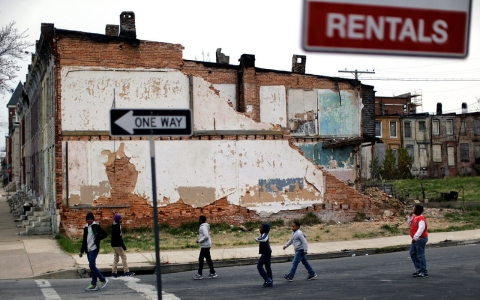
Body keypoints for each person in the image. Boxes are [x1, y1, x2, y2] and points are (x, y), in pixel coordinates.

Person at [80, 211, 109, 291]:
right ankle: (93, 284)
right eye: (88, 219)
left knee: (91, 265)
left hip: (94, 248)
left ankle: (103, 279)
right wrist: (81, 251)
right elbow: (84, 240)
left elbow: (104, 234)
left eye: (91, 219)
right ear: (86, 220)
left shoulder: (96, 226)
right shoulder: (86, 228)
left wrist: (97, 239)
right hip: (88, 249)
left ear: (93, 219)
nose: (89, 220)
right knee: (92, 266)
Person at [192, 215, 218, 280]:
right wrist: (199, 239)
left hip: (205, 245)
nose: (198, 220)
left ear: (201, 220)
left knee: (201, 259)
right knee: (208, 259)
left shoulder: (203, 227)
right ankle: (212, 272)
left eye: (199, 219)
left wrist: (199, 241)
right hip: (206, 244)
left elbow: (206, 236)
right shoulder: (205, 226)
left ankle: (199, 274)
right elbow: (204, 235)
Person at [111, 213, 134, 278]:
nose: (121, 219)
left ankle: (114, 272)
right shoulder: (116, 226)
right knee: (124, 257)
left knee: (116, 258)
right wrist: (123, 246)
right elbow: (118, 237)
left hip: (114, 244)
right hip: (117, 244)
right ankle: (126, 271)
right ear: (117, 220)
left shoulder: (115, 224)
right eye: (120, 218)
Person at [408, 205, 429, 278]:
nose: (413, 210)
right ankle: (419, 269)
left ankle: (423, 271)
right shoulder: (415, 217)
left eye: (414, 209)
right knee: (412, 253)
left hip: (420, 239)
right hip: (416, 239)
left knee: (420, 255)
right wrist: (410, 217)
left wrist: (416, 237)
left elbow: (421, 228)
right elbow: (410, 224)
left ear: (418, 211)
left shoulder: (421, 219)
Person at [255, 222, 273, 287]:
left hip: (266, 253)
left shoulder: (265, 234)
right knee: (268, 267)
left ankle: (267, 279)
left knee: (259, 266)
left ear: (265, 229)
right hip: (266, 253)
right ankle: (270, 281)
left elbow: (264, 240)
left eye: (261, 227)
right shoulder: (263, 234)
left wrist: (257, 239)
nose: (260, 229)